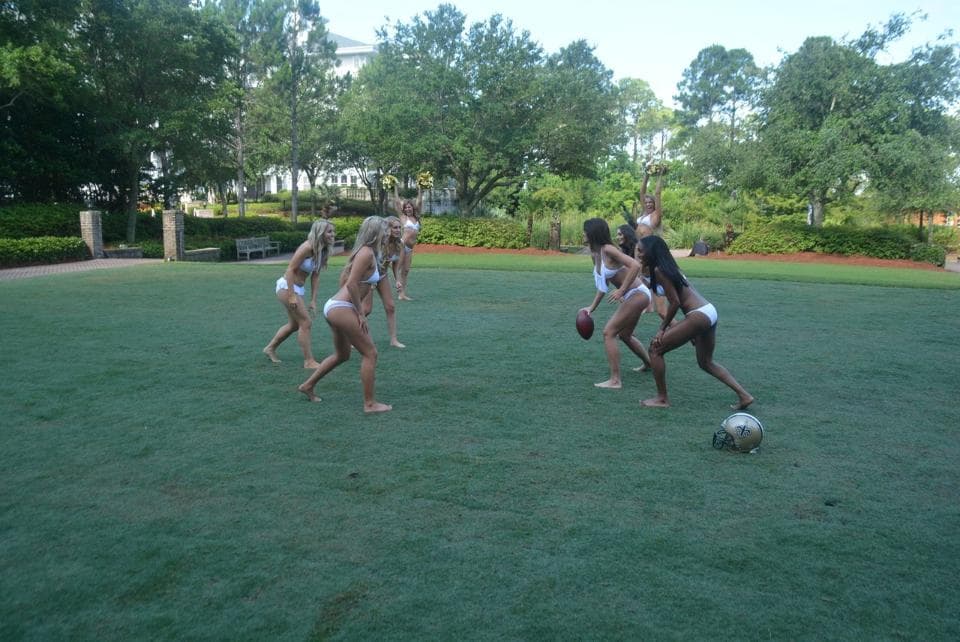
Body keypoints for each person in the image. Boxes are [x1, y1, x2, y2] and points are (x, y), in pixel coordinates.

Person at [636, 234, 754, 410]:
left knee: (655, 349)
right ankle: (744, 396)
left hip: (698, 315)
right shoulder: (667, 268)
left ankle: (662, 398)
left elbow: (675, 302)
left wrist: (662, 329)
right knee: (706, 362)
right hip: (708, 312)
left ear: (651, 252)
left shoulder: (660, 271)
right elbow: (657, 288)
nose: (638, 253)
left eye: (640, 251)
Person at [299, 216, 393, 413]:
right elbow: (350, 283)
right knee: (370, 353)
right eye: (385, 230)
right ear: (375, 232)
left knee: (342, 355)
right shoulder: (366, 252)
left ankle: (307, 385)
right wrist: (360, 313)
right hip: (341, 307)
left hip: (337, 307)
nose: (388, 233)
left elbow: (362, 284)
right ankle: (369, 404)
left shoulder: (371, 252)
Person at [579, 218, 652, 389]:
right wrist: (592, 308)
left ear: (593, 233)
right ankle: (649, 364)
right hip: (633, 295)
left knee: (608, 332)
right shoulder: (595, 253)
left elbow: (635, 265)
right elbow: (602, 286)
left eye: (585, 231)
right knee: (625, 335)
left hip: (638, 293)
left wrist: (622, 290)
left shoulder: (608, 249)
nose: (583, 234)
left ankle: (615, 380)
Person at [263, 218, 335, 368]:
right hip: (286, 287)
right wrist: (291, 295)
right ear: (320, 232)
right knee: (306, 322)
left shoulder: (323, 250)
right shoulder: (307, 247)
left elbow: (315, 276)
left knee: (294, 325)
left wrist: (313, 300)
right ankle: (308, 361)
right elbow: (290, 270)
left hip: (298, 289)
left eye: (333, 231)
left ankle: (270, 348)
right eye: (329, 231)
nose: (332, 234)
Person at [360, 215, 405, 348]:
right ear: (388, 228)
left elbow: (395, 263)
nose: (397, 230)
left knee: (390, 306)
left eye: (399, 227)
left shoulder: (399, 244)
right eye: (394, 227)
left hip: (382, 275)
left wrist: (397, 280)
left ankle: (393, 340)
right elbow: (369, 262)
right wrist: (372, 282)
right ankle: (350, 335)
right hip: (368, 276)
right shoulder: (380, 243)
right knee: (366, 309)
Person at [389, 178, 423, 301]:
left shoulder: (416, 217)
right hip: (402, 245)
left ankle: (402, 294)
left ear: (413, 208)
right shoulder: (403, 217)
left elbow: (419, 202)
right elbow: (397, 202)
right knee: (397, 268)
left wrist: (420, 188)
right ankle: (379, 283)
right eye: (406, 207)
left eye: (410, 207)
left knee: (406, 270)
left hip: (410, 248)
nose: (408, 209)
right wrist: (395, 188)